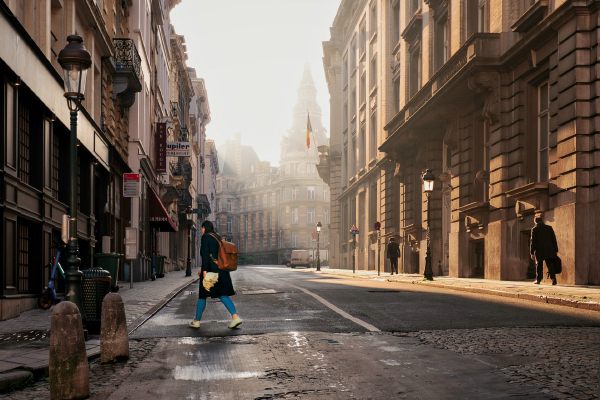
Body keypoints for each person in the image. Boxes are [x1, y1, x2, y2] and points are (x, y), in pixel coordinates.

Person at [189, 221, 242, 329]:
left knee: (202, 296)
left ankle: (196, 321)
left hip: (211, 272)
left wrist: (204, 271)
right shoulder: (217, 237)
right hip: (222, 270)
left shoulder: (206, 237)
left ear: (204, 228)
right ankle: (235, 317)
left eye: (202, 228)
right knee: (222, 294)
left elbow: (205, 255)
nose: (201, 230)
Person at [530, 214, 558, 285]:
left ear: (535, 222)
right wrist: (555, 249)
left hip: (539, 250)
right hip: (549, 249)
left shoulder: (535, 229)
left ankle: (538, 280)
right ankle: (553, 279)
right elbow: (554, 239)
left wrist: (532, 252)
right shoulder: (549, 228)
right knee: (550, 265)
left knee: (539, 265)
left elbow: (533, 241)